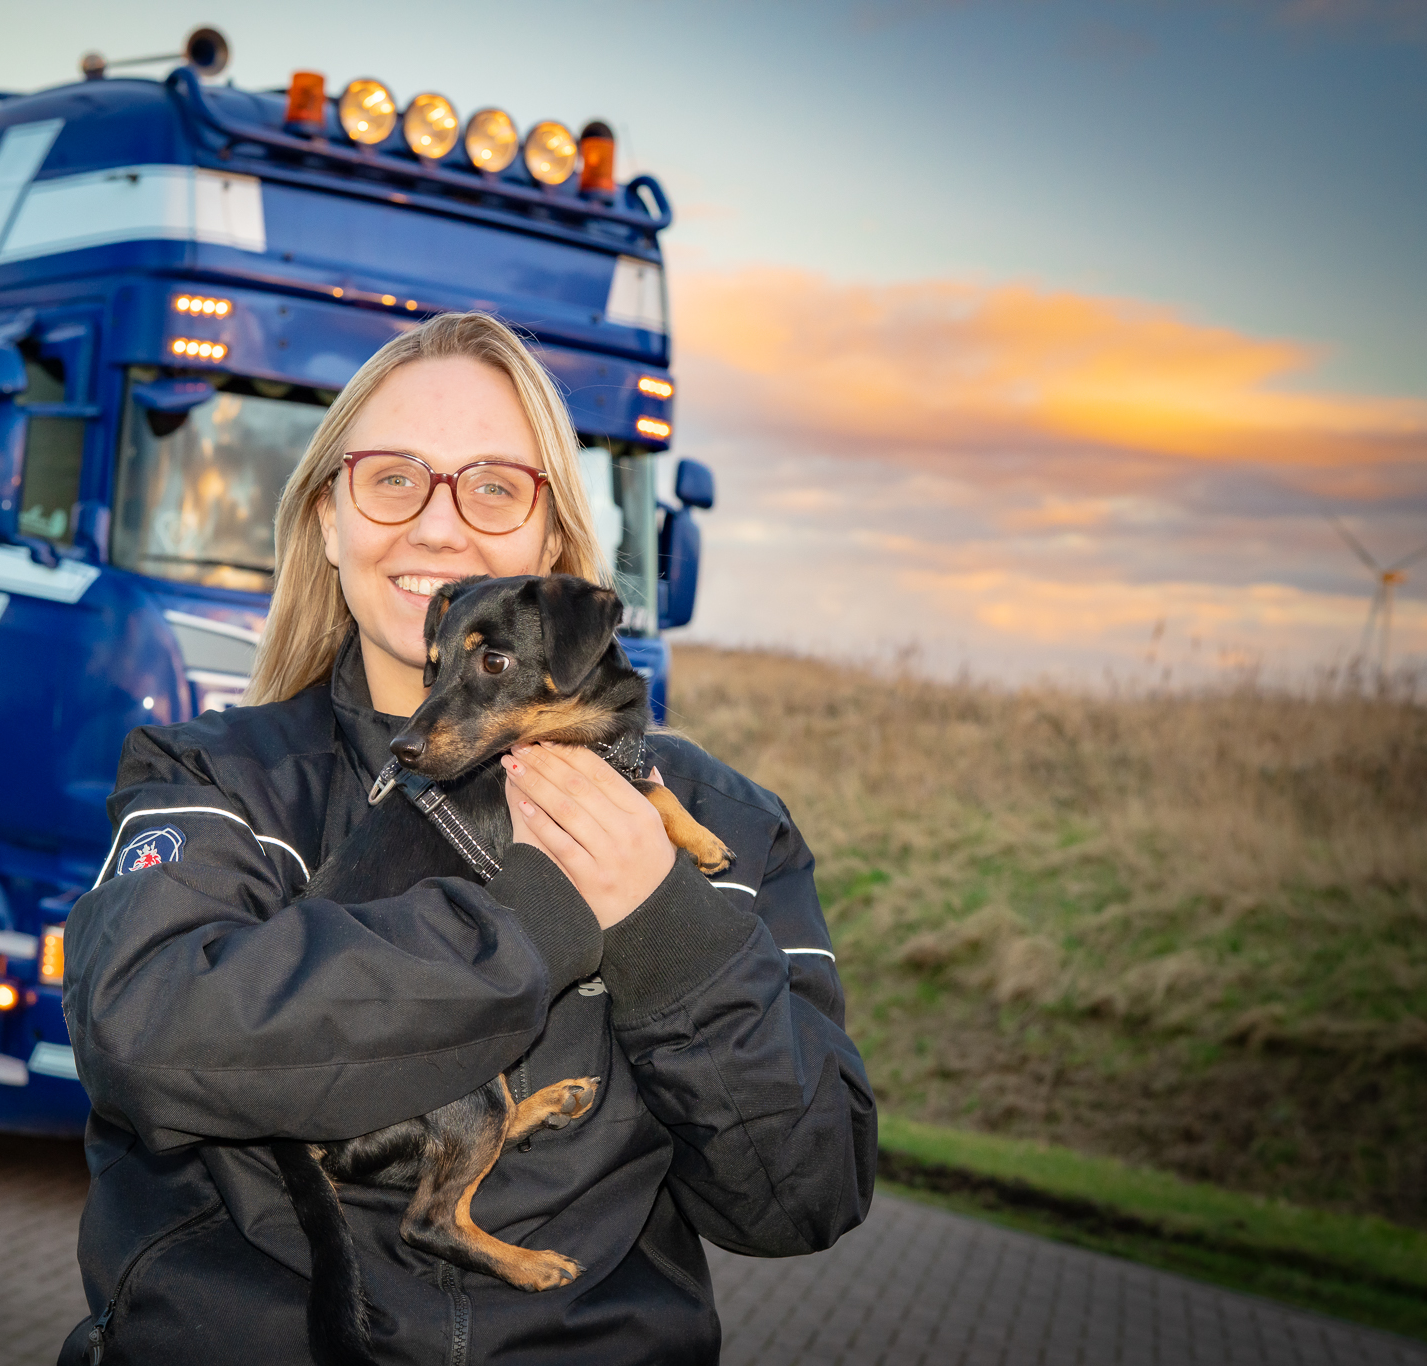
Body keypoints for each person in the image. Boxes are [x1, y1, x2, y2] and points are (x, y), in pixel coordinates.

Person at [59, 312, 875, 1365]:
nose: (438, 527)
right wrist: (532, 925)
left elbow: (805, 1190)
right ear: (325, 520)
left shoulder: (727, 825)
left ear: (551, 543)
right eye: (391, 477)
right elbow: (145, 1033)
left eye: (493, 486)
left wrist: (659, 919)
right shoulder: (212, 780)